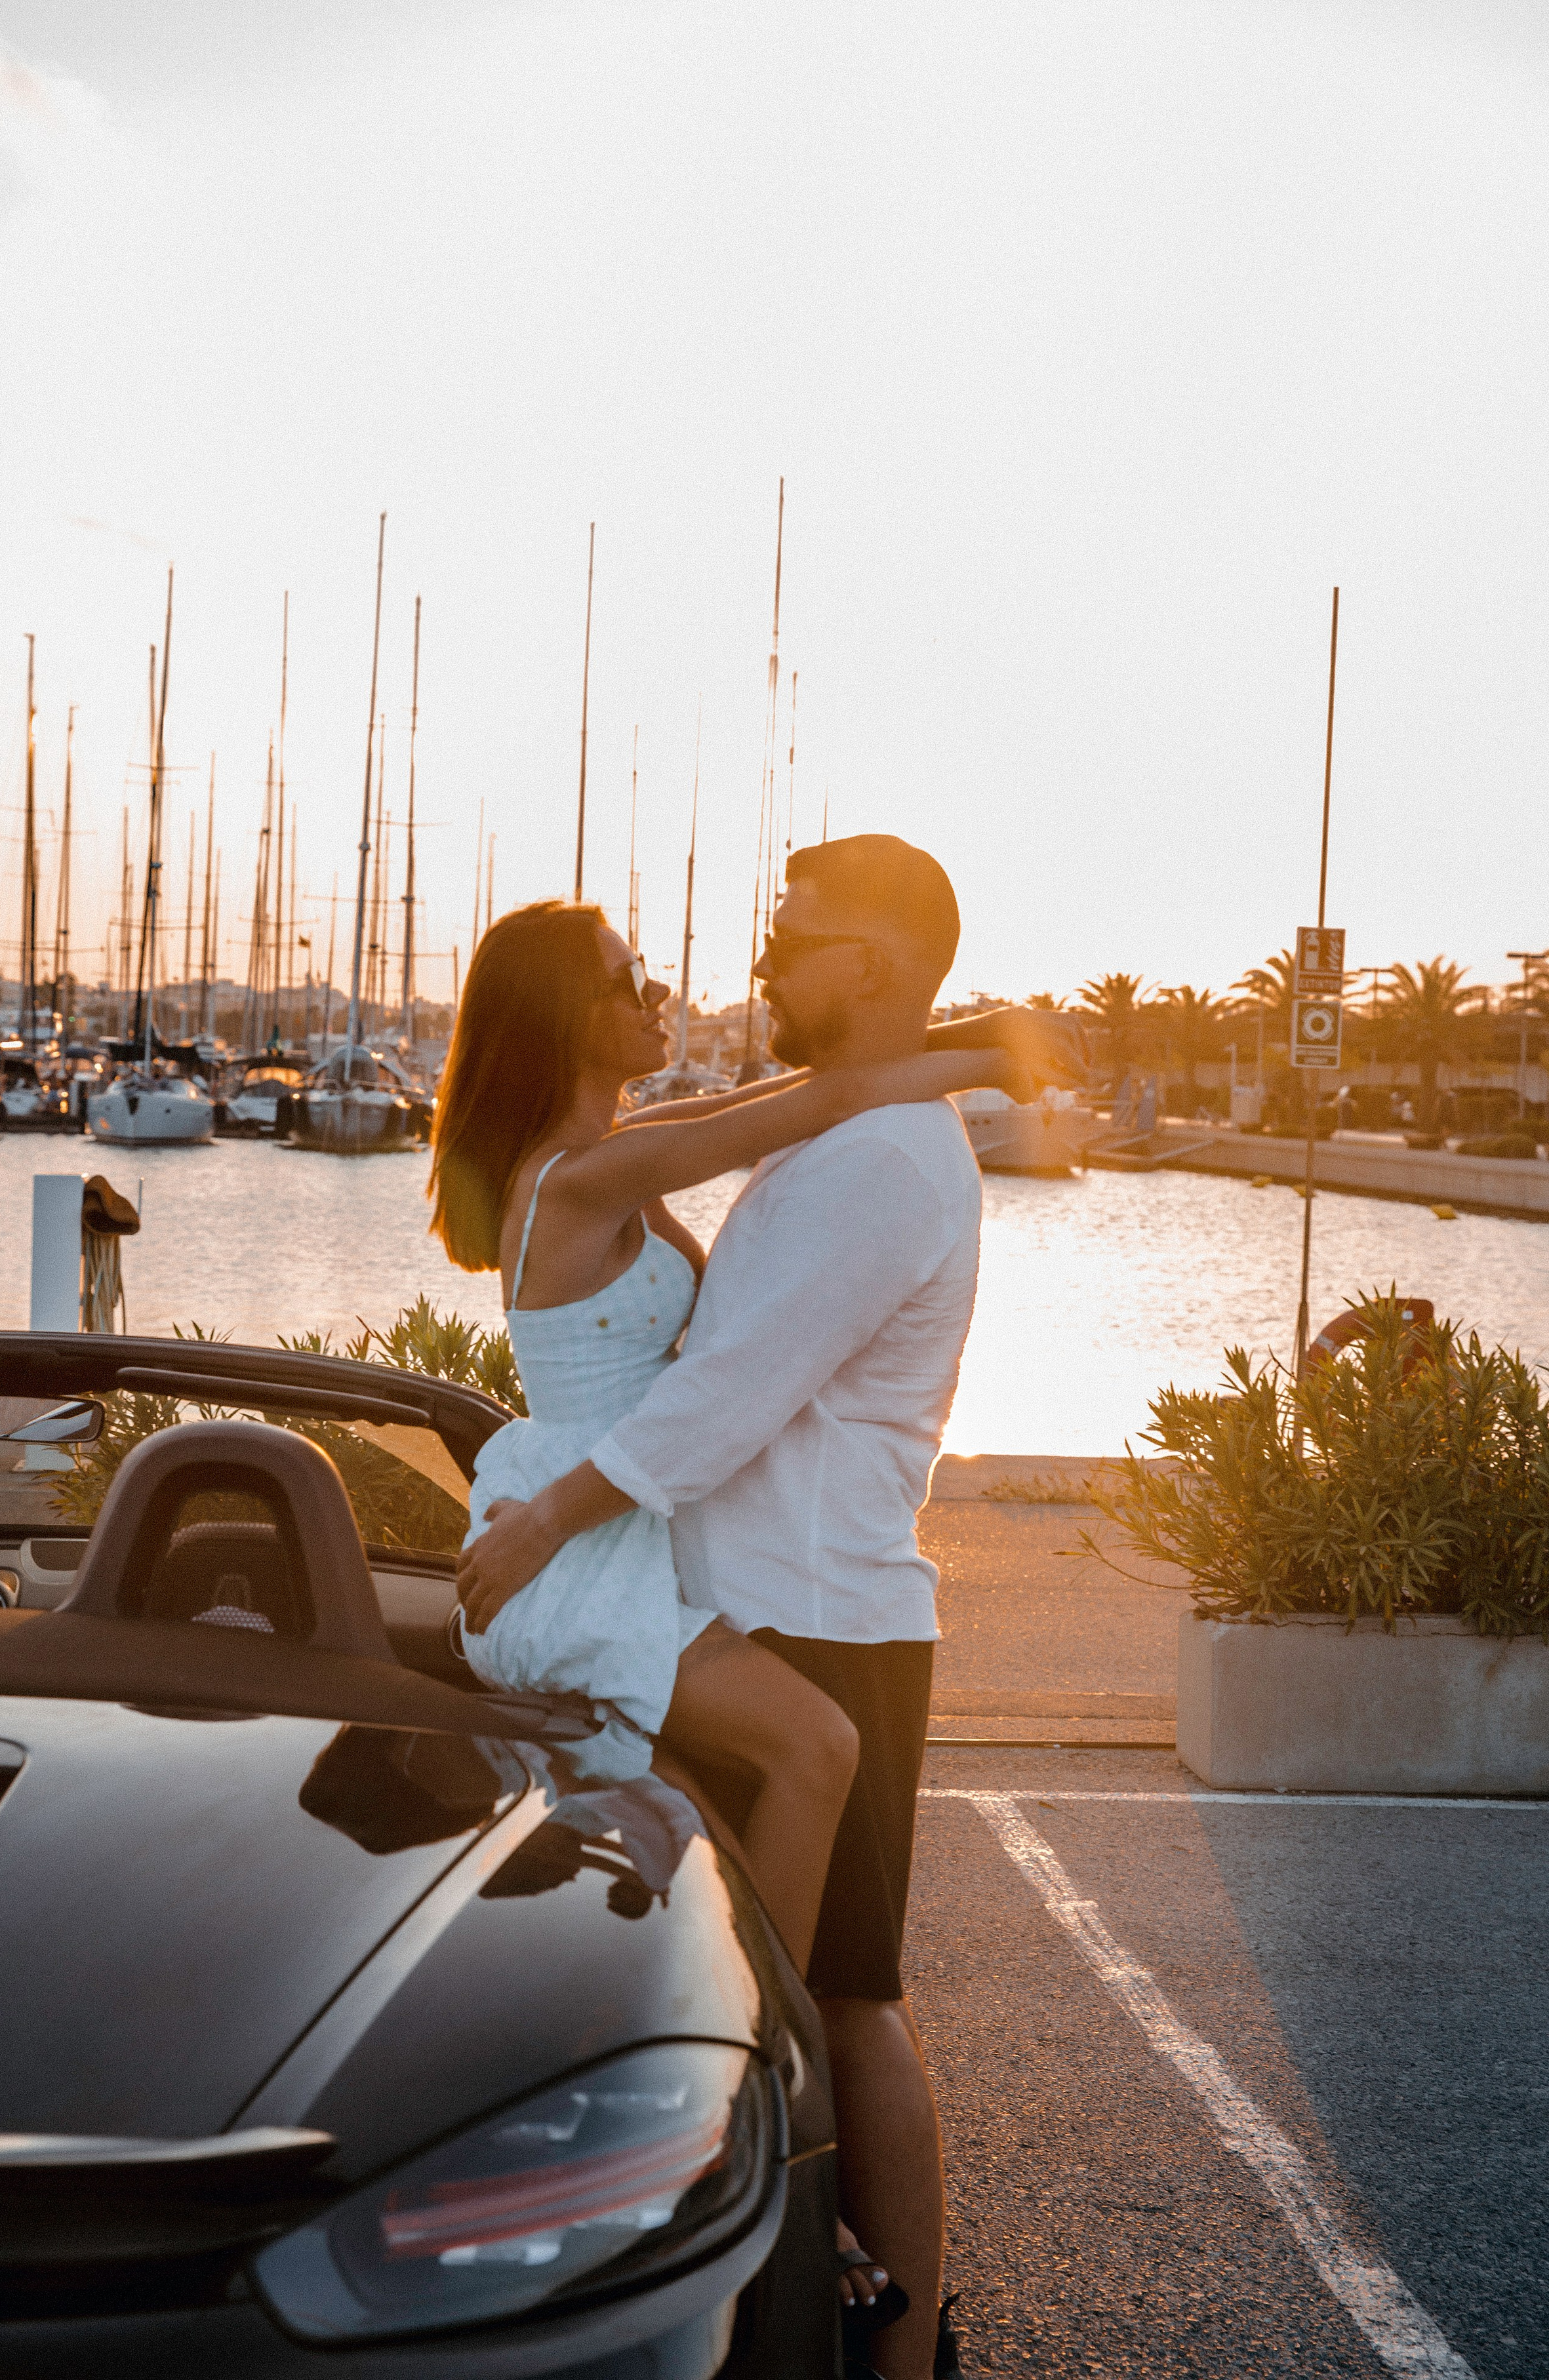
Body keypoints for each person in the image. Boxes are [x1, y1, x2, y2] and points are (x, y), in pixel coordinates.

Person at [459, 835, 1085, 2380]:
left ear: (862, 966)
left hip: (806, 1609)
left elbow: (723, 1394)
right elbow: (749, 1197)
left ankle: (836, 2241)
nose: (745, 960)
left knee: (847, 1993)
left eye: (786, 933)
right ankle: (766, 2227)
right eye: (632, 974)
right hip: (703, 1589)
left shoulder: (875, 1151)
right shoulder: (800, 1139)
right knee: (762, 1968)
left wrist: (544, 1510)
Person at [428, 894, 1021, 1982]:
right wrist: (990, 1056)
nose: (662, 995)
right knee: (816, 1745)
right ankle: (760, 2046)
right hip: (576, 1544)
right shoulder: (583, 1179)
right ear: (570, 1019)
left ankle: (714, 2015)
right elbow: (817, 1100)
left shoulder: (611, 1159)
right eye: (628, 981)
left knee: (724, 1797)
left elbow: (797, 1095)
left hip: (616, 1526)